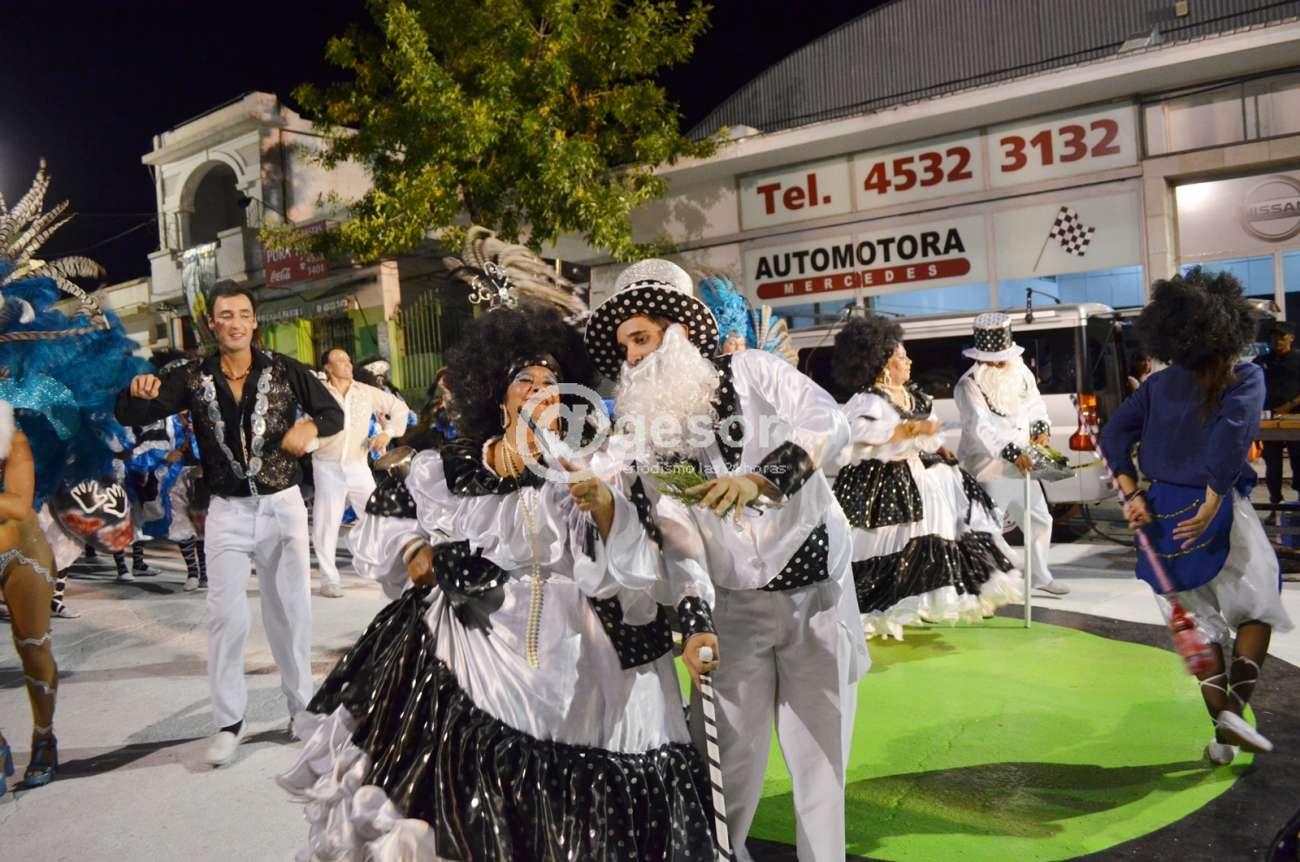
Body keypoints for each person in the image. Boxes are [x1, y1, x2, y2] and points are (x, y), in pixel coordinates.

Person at [278, 303, 717, 859]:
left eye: (551, 382)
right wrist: (418, 552)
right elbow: (393, 514)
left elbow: (645, 555)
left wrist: (605, 506)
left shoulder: (600, 461)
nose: (538, 391)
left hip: (587, 651)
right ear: (499, 395)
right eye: (524, 381)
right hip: (477, 644)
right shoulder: (451, 464)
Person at [585, 258, 869, 862]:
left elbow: (829, 421)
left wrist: (764, 480)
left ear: (679, 332)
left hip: (814, 596)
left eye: (641, 339)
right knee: (726, 765)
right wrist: (694, 621)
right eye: (624, 347)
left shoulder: (756, 371)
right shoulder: (649, 434)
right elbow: (677, 532)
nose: (631, 358)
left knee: (821, 762)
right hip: (733, 610)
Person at [115, 282, 344, 767]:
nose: (235, 322)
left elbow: (332, 413)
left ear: (254, 321)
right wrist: (136, 388)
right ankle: (228, 723)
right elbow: (130, 411)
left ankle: (301, 709)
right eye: (226, 315)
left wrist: (308, 427)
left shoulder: (284, 369)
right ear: (212, 324)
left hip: (282, 506)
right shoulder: (191, 377)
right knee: (224, 615)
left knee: (291, 611)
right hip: (228, 511)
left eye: (243, 313)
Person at [1100, 267, 1293, 764]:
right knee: (1256, 608)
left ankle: (1221, 736)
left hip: (1160, 517)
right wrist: (1211, 500)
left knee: (1197, 628)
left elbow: (1112, 436)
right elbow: (1232, 438)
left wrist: (1130, 493)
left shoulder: (1157, 384)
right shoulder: (1245, 376)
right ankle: (1234, 713)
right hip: (1219, 510)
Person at [832, 314, 1023, 639]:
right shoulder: (868, 400)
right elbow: (857, 434)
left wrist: (938, 446)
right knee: (885, 546)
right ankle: (874, 610)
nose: (909, 361)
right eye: (901, 357)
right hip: (882, 488)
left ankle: (914, 605)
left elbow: (930, 433)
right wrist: (908, 430)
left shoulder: (914, 395)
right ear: (883, 365)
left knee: (928, 544)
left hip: (921, 481)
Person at [954, 313, 1070, 596]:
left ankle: (1040, 576)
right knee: (988, 526)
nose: (999, 364)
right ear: (981, 359)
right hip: (988, 466)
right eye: (993, 360)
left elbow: (1036, 406)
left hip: (1024, 463)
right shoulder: (969, 385)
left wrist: (1041, 430)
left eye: (1003, 358)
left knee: (1039, 519)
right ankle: (991, 583)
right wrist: (1012, 452)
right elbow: (981, 427)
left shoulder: (1021, 373)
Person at [312, 347, 409, 598]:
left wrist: (387, 433)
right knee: (327, 523)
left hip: (358, 463)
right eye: (340, 360)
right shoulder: (318, 391)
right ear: (327, 367)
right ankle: (329, 579)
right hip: (327, 465)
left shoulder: (365, 392)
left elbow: (400, 408)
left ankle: (382, 567)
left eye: (348, 359)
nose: (347, 364)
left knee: (376, 516)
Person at [0, 402, 60, 791]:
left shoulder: (12, 438)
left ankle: (44, 738)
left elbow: (17, 505)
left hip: (21, 554)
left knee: (34, 648)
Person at [1256, 322, 1300, 525]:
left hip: (1295, 422)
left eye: (1282, 337)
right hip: (1269, 421)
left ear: (1291, 338)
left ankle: (1297, 506)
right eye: (1274, 337)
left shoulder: (1298, 360)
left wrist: (1289, 405)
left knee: (1298, 462)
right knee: (1272, 466)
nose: (1277, 341)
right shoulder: (1262, 361)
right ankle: (1275, 506)